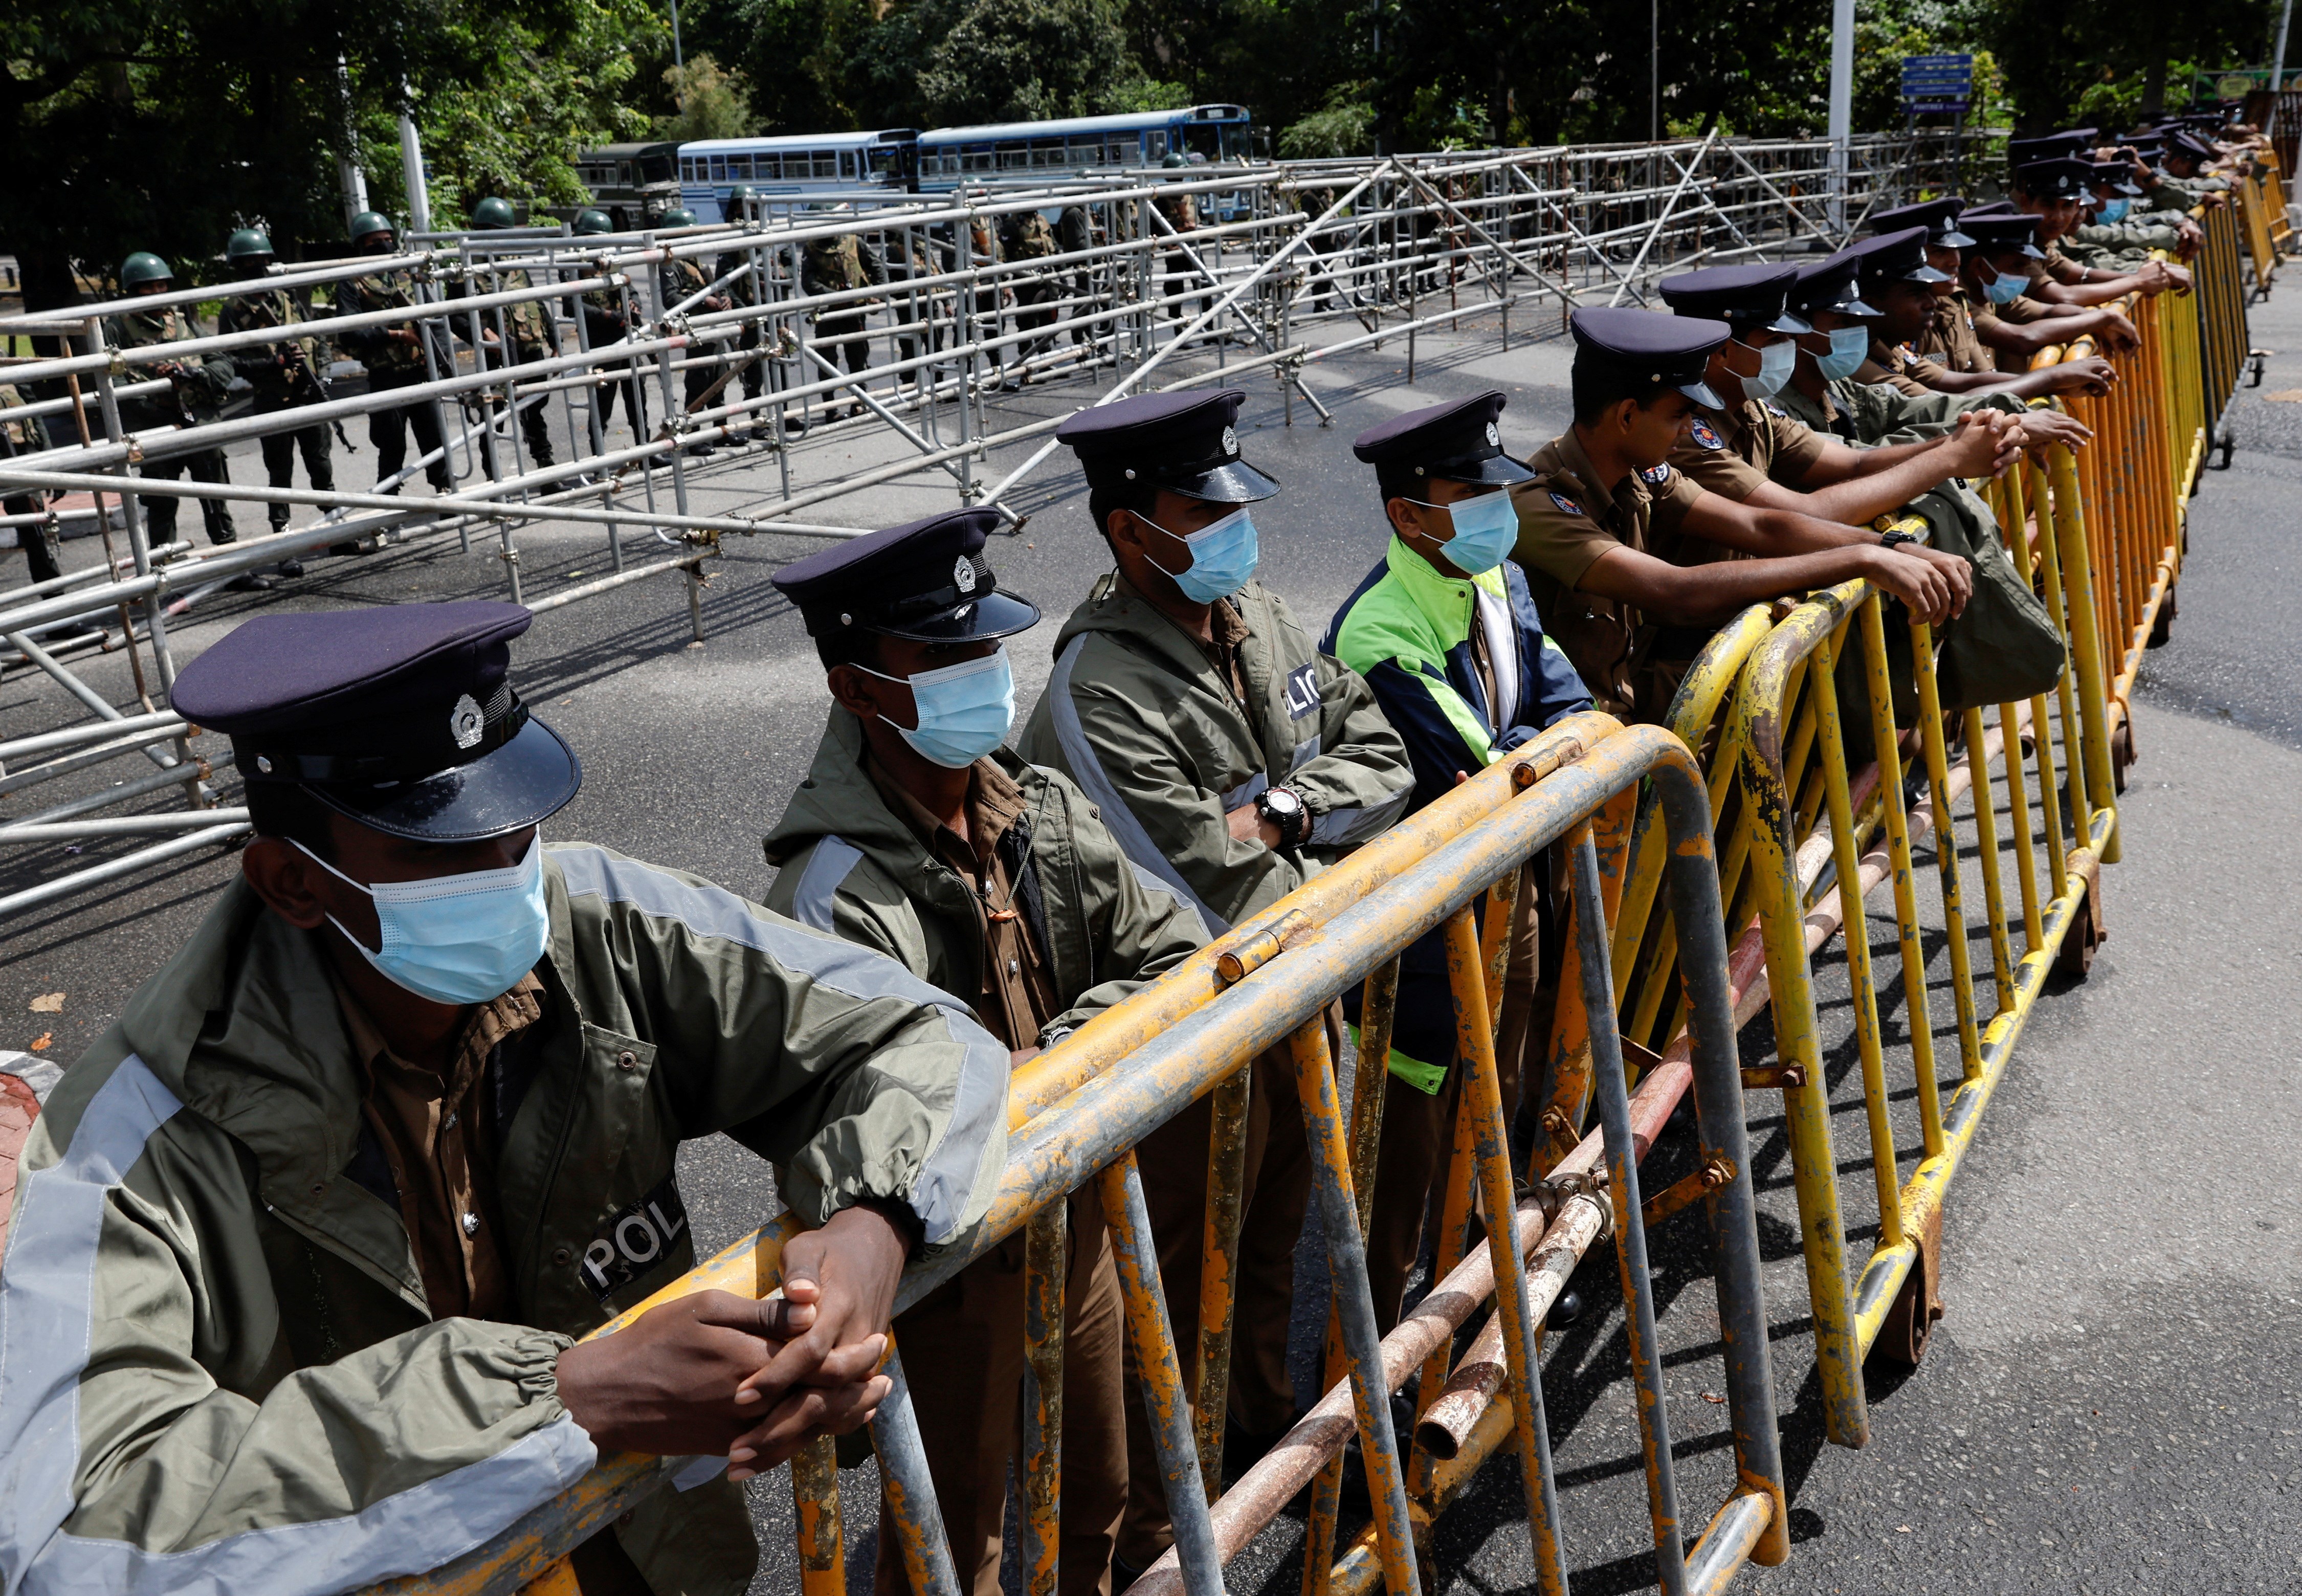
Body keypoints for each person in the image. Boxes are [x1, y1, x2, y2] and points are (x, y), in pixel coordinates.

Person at [0, 600, 1009, 1596]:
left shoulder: (598, 919)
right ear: (291, 884)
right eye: (438, 850)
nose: (506, 875)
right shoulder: (134, 1135)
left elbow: (924, 1032)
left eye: (514, 825)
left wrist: (871, 1222)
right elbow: (61, 1534)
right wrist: (559, 1401)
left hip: (665, 1564)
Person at [763, 508, 1208, 1596]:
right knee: (954, 1543)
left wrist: (1048, 1057)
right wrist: (1067, 1064)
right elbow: (892, 1100)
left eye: (984, 647)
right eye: (943, 657)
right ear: (858, 689)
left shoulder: (1034, 807)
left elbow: (1177, 944)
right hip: (945, 1267)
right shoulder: (832, 893)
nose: (981, 673)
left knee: (1093, 1490)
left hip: (1077, 1211)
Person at [1013, 389, 1414, 1576]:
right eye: (1203, 509)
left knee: (1278, 1237)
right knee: (1180, 1276)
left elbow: (1378, 747)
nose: (1233, 529)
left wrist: (1288, 807)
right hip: (1185, 1049)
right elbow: (1211, 896)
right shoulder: (1096, 691)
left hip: (1300, 1005)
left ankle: (1248, 1448)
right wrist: (1325, 846)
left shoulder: (1251, 611)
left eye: (1236, 504)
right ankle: (1161, 1514)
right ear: (1129, 529)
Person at [1322, 392, 1592, 1333]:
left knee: (1507, 1085)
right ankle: (1381, 1343)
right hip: (1425, 936)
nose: (1494, 510)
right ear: (1408, 515)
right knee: (1412, 1138)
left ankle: (1484, 1269)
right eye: (1469, 494)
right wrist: (1541, 747)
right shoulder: (1376, 628)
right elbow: (1478, 771)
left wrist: (1542, 744)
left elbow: (1574, 705)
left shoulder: (1496, 579)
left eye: (1496, 490)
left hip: (1508, 892)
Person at [1507, 306, 1965, 723]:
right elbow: (1675, 591)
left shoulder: (1643, 473)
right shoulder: (1539, 502)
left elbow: (1759, 525)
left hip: (1632, 715)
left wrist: (1888, 547)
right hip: (1571, 740)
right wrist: (1861, 561)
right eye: (1680, 414)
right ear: (1628, 416)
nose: (1690, 428)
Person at [1656, 260, 2017, 530]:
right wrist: (1949, 460)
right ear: (1722, 352)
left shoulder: (1753, 411)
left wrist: (1956, 444)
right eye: (1775, 340)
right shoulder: (1687, 433)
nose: (1791, 347)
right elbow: (1803, 514)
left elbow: (1853, 463)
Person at [105, 252, 267, 587]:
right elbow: (115, 388)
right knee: (162, 504)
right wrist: (157, 394)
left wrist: (194, 374)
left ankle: (232, 566)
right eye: (148, 288)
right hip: (158, 429)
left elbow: (222, 364)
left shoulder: (181, 321)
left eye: (162, 285)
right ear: (133, 291)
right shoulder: (117, 328)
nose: (158, 292)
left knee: (215, 497)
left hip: (201, 423)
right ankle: (164, 578)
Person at [1849, 222, 2118, 403]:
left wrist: (2052, 383)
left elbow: (1960, 382)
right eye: (1916, 293)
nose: (1931, 302)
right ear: (1873, 305)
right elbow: (1944, 405)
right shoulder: (1856, 359)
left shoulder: (1890, 346)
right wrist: (2051, 377)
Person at [217, 227, 331, 580]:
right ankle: (284, 545)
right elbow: (228, 362)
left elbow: (317, 337)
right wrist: (273, 364)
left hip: (307, 396)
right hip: (271, 400)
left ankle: (336, 530)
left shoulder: (288, 298)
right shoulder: (233, 311)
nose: (257, 267)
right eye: (248, 263)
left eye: (261, 261)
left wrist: (323, 374)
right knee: (280, 476)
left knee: (322, 468)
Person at [334, 211, 457, 498]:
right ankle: (389, 499)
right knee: (391, 444)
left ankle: (444, 491)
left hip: (419, 371)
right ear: (362, 245)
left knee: (434, 438)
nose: (385, 244)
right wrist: (397, 334)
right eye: (377, 241)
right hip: (385, 375)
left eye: (388, 239)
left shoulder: (405, 274)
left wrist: (437, 355)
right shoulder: (352, 283)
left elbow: (435, 318)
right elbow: (350, 333)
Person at [1951, 210, 2142, 374]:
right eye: (2016, 267)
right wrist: (2102, 319)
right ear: (1979, 266)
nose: (2023, 276)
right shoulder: (1956, 301)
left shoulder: (1991, 294)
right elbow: (2022, 339)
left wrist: (2097, 318)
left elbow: (2049, 311)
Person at [463, 195, 559, 473]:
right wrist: (484, 335)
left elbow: (538, 301)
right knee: (493, 419)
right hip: (495, 357)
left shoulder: (515, 263)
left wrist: (554, 340)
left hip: (530, 351)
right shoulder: (468, 268)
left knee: (534, 413)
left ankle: (546, 471)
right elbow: (457, 315)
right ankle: (495, 483)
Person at [2008, 159, 2188, 304]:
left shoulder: (2041, 241)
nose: (2059, 217)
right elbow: (2064, 296)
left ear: (2078, 205)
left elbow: (2082, 274)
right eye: (2048, 205)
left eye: (2068, 206)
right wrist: (2138, 281)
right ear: (2025, 203)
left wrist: (2153, 274)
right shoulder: (2014, 245)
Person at [570, 208, 648, 440]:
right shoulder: (575, 265)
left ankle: (644, 448)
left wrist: (634, 304)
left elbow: (630, 289)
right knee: (602, 404)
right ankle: (599, 457)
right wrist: (607, 315)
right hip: (601, 345)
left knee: (637, 398)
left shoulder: (612, 262)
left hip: (626, 340)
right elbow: (572, 307)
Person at [658, 207, 730, 453]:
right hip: (694, 329)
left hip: (712, 327)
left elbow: (714, 287)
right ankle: (696, 437)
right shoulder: (671, 263)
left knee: (720, 378)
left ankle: (721, 429)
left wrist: (724, 298)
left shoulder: (695, 259)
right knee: (698, 384)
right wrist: (703, 301)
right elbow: (671, 298)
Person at [802, 226, 889, 420]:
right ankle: (830, 408)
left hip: (854, 310)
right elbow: (808, 282)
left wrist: (877, 293)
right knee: (826, 360)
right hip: (827, 312)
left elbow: (876, 265)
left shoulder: (854, 241)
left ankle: (860, 402)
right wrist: (834, 297)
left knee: (858, 357)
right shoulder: (812, 248)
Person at [714, 186, 769, 436]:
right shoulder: (731, 239)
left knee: (779, 364)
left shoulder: (768, 232)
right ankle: (757, 420)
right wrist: (743, 310)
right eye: (741, 206)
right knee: (753, 370)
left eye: (751, 205)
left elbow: (788, 267)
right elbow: (723, 281)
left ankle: (784, 414)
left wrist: (781, 275)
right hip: (748, 313)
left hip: (774, 309)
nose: (747, 211)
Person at [1001, 207, 1063, 374]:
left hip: (1047, 278)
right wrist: (1005, 281)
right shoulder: (1012, 225)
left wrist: (1062, 273)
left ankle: (1045, 362)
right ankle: (1026, 364)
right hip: (1026, 280)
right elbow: (1006, 255)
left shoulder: (1041, 221)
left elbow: (1054, 245)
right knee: (1028, 322)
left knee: (1048, 321)